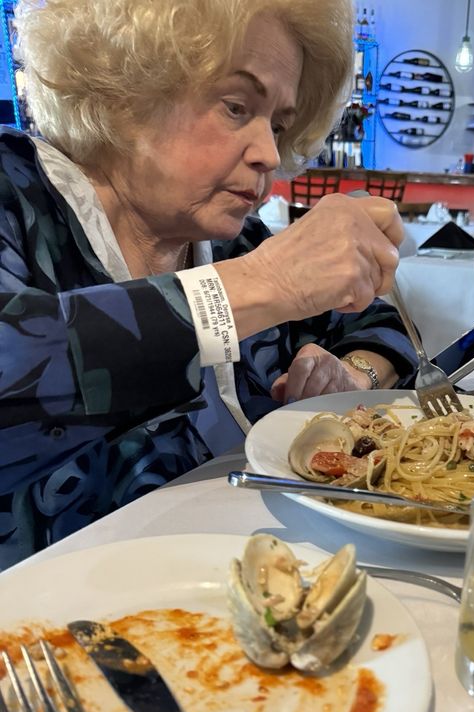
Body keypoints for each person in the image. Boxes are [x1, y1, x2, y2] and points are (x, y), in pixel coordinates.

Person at [0, 0, 418, 570]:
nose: (270, 153)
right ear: (125, 89)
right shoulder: (15, 195)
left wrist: (353, 374)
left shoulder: (231, 241)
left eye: (278, 125)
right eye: (236, 106)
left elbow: (373, 322)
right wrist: (267, 282)